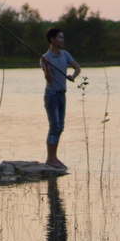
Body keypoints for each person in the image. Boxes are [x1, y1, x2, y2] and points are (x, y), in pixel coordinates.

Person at [40, 28, 81, 169]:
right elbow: (49, 80)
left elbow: (77, 68)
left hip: (62, 94)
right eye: (60, 37)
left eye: (63, 37)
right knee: (54, 126)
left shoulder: (65, 54)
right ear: (52, 40)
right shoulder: (46, 58)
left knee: (60, 127)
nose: (62, 40)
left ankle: (54, 157)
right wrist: (46, 67)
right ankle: (50, 158)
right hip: (51, 95)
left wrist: (72, 77)